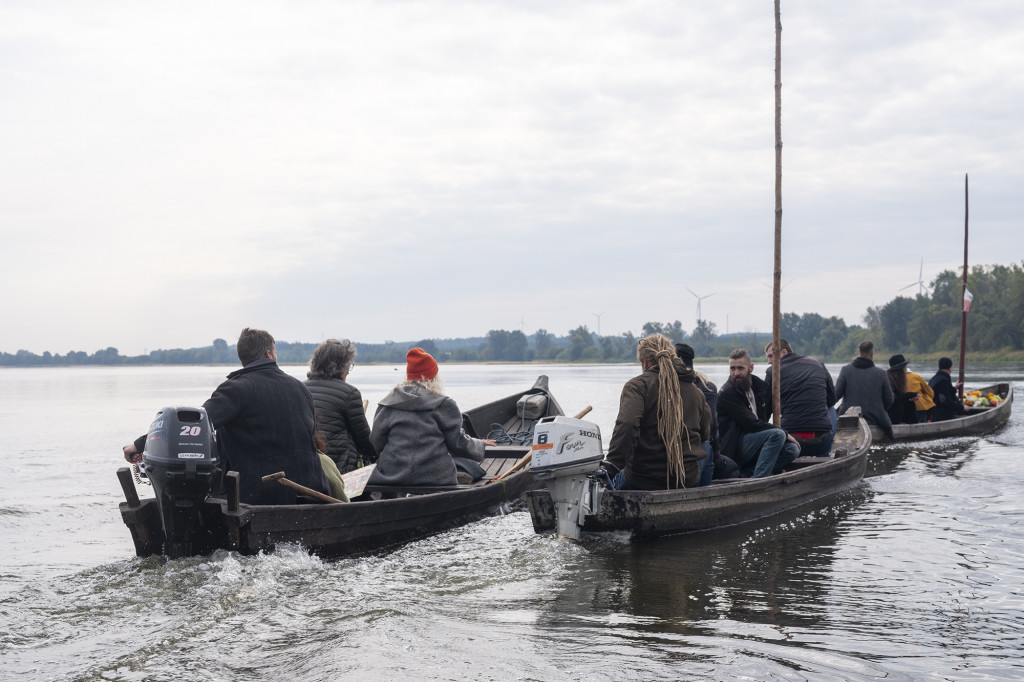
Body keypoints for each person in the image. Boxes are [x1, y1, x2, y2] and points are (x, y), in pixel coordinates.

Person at [122, 328, 330, 505]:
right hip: (310, 491)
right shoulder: (300, 389)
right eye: (276, 351)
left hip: (260, 496)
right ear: (269, 354)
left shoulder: (236, 389)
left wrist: (138, 445)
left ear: (243, 358)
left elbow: (192, 424)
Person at [367, 348, 496, 487]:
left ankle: (389, 500)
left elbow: (376, 442)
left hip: (392, 475)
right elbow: (457, 443)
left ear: (408, 376)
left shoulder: (388, 403)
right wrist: (480, 444)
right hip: (437, 476)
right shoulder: (445, 404)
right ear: (434, 377)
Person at [606, 334, 711, 490]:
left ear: (645, 361)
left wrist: (610, 467)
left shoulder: (637, 386)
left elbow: (627, 425)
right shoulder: (696, 392)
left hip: (643, 480)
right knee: (708, 449)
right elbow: (705, 434)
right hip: (687, 479)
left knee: (607, 481)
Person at [717, 349, 800, 478]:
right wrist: (784, 433)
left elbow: (764, 418)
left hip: (756, 441)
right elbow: (751, 423)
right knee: (777, 434)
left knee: (792, 450)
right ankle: (758, 480)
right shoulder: (727, 393)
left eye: (740, 368)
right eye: (732, 368)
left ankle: (746, 474)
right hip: (735, 446)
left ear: (751, 368)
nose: (736, 373)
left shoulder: (760, 386)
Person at [304, 339, 377, 473]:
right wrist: (379, 459)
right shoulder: (349, 393)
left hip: (307, 467)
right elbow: (365, 440)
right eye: (348, 366)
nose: (348, 372)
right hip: (339, 470)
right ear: (339, 367)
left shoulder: (300, 388)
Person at [765, 339, 838, 458]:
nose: (769, 362)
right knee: (831, 409)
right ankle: (823, 457)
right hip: (821, 441)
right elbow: (831, 400)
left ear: (783, 352)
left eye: (771, 356)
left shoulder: (772, 372)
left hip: (790, 441)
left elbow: (766, 410)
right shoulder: (818, 364)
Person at [676, 342, 738, 482]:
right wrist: (716, 455)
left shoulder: (702, 387)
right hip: (696, 450)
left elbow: (710, 427)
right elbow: (710, 428)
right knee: (724, 463)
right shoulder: (705, 387)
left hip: (690, 450)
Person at [835, 341, 895, 438]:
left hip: (848, 418)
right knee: (890, 435)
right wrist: (879, 409)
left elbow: (836, 394)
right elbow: (889, 399)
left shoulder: (845, 370)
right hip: (877, 419)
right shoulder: (881, 373)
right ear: (872, 353)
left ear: (859, 352)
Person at [928, 357, 966, 422]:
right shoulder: (944, 380)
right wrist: (962, 407)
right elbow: (944, 400)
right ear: (950, 368)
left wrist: (954, 388)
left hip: (932, 413)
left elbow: (942, 393)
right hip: (942, 416)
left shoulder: (933, 379)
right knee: (964, 416)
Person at [886, 354, 919, 425]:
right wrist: (908, 395)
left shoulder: (891, 378)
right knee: (910, 405)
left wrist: (908, 397)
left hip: (892, 416)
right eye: (905, 367)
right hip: (889, 417)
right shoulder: (888, 381)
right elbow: (893, 400)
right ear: (901, 370)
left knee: (910, 404)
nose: (906, 368)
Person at [902, 356, 935, 422]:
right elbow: (930, 393)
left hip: (901, 408)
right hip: (919, 407)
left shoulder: (891, 377)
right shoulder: (916, 376)